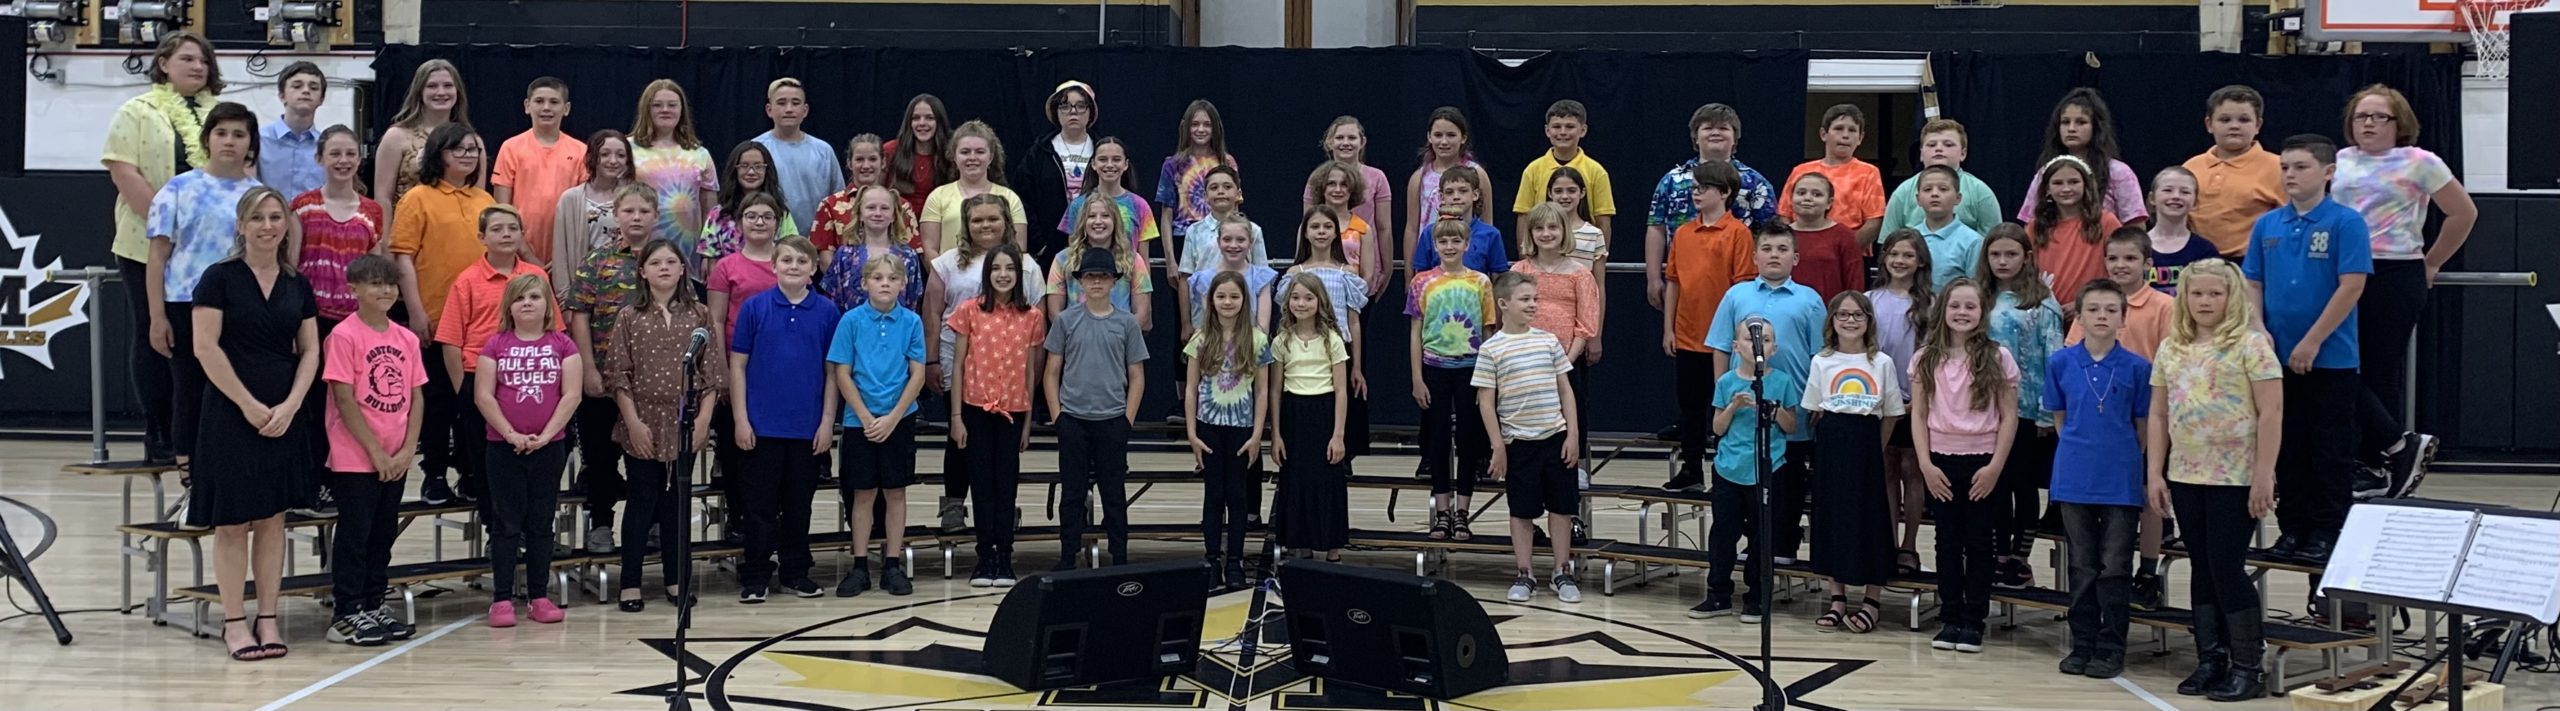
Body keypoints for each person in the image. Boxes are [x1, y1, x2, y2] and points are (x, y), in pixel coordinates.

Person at [193, 186, 322, 661]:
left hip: (283, 414)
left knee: (272, 520)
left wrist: (291, 405)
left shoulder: (297, 284)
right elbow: (205, 347)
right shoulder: (218, 278)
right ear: (241, 226)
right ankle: (233, 621)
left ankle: (268, 617)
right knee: (231, 523)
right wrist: (247, 404)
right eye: (258, 218)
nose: (268, 226)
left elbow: (310, 349)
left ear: (286, 225)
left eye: (275, 217)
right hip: (230, 412)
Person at [2148, 258, 2280, 701]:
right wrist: (2155, 473)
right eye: (2197, 293)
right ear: (2184, 297)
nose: (2205, 301)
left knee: (2226, 566)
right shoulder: (2172, 347)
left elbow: (2272, 412)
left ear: (2232, 297)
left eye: (2215, 294)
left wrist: (2264, 474)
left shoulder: (2252, 345)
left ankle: (2248, 666)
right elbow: (2158, 414)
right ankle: (2211, 659)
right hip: (2186, 472)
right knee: (2201, 566)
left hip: (2235, 475)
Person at [2335, 84, 2471, 499]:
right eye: (2361, 116)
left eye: (2379, 117)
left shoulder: (2419, 161)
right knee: (2336, 366)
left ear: (2399, 123)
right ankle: (2396, 445)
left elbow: (2463, 213)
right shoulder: (2341, 160)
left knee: (2377, 370)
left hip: (2395, 270)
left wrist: (2432, 262)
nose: (2369, 124)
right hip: (2342, 272)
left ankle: (2374, 463)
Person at [2245, 134, 2371, 565]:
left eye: (2300, 167)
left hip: (2330, 358)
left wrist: (2313, 340)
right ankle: (2292, 528)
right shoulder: (2268, 224)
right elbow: (2253, 282)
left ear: (2328, 172)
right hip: (2276, 357)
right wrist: (2258, 329)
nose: (2290, 175)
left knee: (2328, 449)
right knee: (2288, 446)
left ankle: (2327, 530)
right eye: (2284, 167)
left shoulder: (2345, 223)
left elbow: (2351, 285)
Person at [104, 31, 223, 464]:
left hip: (208, 248)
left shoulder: (220, 114)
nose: (198, 67)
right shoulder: (137, 110)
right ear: (163, 64)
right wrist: (167, 224)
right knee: (155, 333)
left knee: (204, 336)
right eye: (188, 59)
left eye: (204, 61)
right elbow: (123, 169)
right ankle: (159, 429)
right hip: (147, 241)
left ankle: (202, 431)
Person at [147, 101, 262, 527]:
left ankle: (234, 482)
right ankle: (192, 486)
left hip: (241, 307)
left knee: (236, 393)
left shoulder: (256, 195)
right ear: (208, 138)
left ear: (251, 144)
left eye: (239, 134)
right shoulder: (177, 189)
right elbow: (157, 257)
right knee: (190, 391)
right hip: (185, 304)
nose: (230, 141)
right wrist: (157, 316)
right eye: (222, 133)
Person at [604, 239, 723, 613]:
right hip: (643, 419)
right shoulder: (629, 316)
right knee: (641, 502)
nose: (664, 268)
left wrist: (703, 420)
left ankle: (677, 578)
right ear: (642, 271)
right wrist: (633, 422)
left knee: (677, 504)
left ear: (683, 269)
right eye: (655, 263)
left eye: (671, 261)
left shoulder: (699, 314)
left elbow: (711, 373)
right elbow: (618, 374)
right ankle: (630, 583)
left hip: (684, 422)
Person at [2045, 279, 2152, 680]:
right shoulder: (2060, 363)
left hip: (2120, 478)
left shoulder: (2138, 368)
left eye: (2111, 310)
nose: (2102, 316)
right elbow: (2061, 420)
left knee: (2115, 565)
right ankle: (2083, 642)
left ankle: (2111, 646)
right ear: (2080, 316)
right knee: (2082, 564)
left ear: (2123, 318)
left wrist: (2121, 457)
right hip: (2074, 475)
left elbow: (2142, 428)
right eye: (2093, 309)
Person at [2068, 228, 2178, 610]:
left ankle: (2147, 573)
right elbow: (2073, 354)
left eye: (2130, 258)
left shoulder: (2163, 306)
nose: (2121, 265)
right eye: (2113, 258)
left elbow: (2170, 359)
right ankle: (2101, 575)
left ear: (2148, 263)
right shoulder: (2095, 302)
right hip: (2100, 418)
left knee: (2147, 494)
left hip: (2147, 413)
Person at [1909, 278, 2020, 655]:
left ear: (1982, 312)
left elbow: (2009, 416)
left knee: (1979, 543)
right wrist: (1925, 464)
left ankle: (1974, 620)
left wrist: (1995, 467)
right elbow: (1919, 414)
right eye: (1955, 305)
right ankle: (1950, 616)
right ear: (1942, 310)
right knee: (1946, 542)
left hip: (1983, 463)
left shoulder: (1998, 356)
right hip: (1940, 461)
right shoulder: (1926, 357)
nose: (1962, 312)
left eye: (1970, 306)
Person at [1708, 224, 1830, 564]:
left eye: (1782, 249)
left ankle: (1783, 547)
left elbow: (1820, 355)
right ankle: (1753, 549)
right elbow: (1720, 346)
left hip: (1790, 408)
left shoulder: (1809, 299)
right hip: (1742, 414)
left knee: (1787, 484)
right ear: (1754, 256)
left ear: (1796, 258)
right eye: (1767, 248)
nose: (1774, 255)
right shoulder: (1736, 295)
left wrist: (1816, 401)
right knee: (1744, 483)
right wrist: (1722, 391)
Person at [926, 196, 1048, 531]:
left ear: (1006, 222)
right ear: (966, 225)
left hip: (1009, 369)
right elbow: (932, 313)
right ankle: (954, 503)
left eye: (992, 219)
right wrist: (932, 358)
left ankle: (1002, 507)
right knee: (961, 435)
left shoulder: (1026, 266)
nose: (985, 226)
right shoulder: (948, 263)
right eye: (977, 220)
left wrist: (1033, 376)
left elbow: (1038, 324)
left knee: (1002, 445)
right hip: (959, 361)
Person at [391, 123, 497, 506]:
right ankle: (434, 475)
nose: (467, 155)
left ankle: (470, 472)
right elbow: (403, 258)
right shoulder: (417, 198)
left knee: (474, 401)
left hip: (481, 323)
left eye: (473, 150)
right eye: (458, 149)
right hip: (435, 317)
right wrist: (416, 311)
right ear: (439, 154)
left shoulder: (484, 200)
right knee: (437, 401)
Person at [730, 237, 842, 602]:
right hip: (760, 426)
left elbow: (832, 372)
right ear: (774, 266)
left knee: (798, 506)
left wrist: (827, 423)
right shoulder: (754, 307)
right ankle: (756, 574)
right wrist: (741, 419)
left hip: (806, 428)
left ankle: (795, 572)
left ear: (813, 269)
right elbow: (738, 366)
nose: (794, 266)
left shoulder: (827, 311)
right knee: (758, 507)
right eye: (787, 260)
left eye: (801, 261)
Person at [321, 255, 423, 647]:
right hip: (356, 456)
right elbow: (344, 398)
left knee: (383, 535)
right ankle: (347, 612)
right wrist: (374, 452)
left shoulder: (406, 338)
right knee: (355, 535)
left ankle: (373, 603)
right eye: (375, 283)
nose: (385, 290)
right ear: (354, 289)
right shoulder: (344, 336)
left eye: (390, 284)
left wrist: (408, 448)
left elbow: (416, 397)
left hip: (396, 456)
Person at [433, 206, 561, 513]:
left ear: (522, 234)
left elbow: (554, 330)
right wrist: (465, 391)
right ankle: (497, 527)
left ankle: (534, 528)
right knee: (487, 460)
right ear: (482, 237)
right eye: (497, 229)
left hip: (532, 378)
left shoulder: (536, 276)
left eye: (513, 229)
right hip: (481, 381)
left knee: (538, 457)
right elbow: (451, 340)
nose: (506, 234)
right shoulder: (467, 281)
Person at [471, 274, 580, 627]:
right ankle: (501, 599)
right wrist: (510, 433)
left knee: (541, 521)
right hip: (503, 448)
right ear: (509, 307)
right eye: (520, 298)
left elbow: (571, 394)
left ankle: (539, 596)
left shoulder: (563, 345)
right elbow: (483, 396)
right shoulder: (495, 345)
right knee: (505, 522)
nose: (527, 303)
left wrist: (547, 435)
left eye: (534, 296)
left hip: (549, 447)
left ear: (548, 305)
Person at [1474, 272, 1584, 604]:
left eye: (1535, 299)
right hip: (1519, 444)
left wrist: (1572, 434)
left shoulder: (1548, 342)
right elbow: (1486, 402)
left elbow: (1566, 390)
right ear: (1503, 304)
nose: (1533, 304)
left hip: (1555, 438)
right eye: (1525, 299)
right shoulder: (1491, 349)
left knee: (1561, 508)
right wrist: (1498, 446)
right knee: (1522, 511)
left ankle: (1562, 571)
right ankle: (1525, 573)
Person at [1802, 290, 1903, 633]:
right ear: (1832, 321)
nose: (1850, 321)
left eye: (1858, 315)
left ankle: (1872, 599)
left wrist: (1874, 448)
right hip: (1832, 441)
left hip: (1866, 441)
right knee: (1833, 515)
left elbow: (1891, 413)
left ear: (1869, 321)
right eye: (1843, 315)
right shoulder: (1822, 361)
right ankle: (1837, 598)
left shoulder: (1882, 362)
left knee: (1870, 517)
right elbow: (1815, 409)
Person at [946, 242, 1046, 587]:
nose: (1003, 275)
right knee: (981, 485)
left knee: (1006, 485)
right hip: (976, 409)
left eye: (1010, 269)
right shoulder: (970, 311)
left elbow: (1030, 373)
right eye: (996, 269)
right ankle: (984, 555)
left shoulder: (1032, 317)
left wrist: (1028, 422)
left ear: (1019, 275)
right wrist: (956, 417)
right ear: (987, 274)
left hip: (1013, 412)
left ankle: (1004, 555)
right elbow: (958, 365)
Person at [1687, 316, 1799, 623]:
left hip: (1767, 468)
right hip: (1730, 469)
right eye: (1750, 339)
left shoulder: (1782, 381)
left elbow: (1791, 425)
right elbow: (1717, 428)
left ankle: (1757, 596)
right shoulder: (1726, 382)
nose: (1757, 345)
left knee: (1762, 535)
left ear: (1774, 349)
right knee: (1724, 533)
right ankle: (1718, 594)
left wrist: (1773, 410)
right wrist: (1734, 406)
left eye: (1765, 339)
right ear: (1736, 346)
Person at [1044, 248, 1150, 570]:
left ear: (1114, 281)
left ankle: (1119, 557)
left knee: (1114, 493)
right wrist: (1058, 417)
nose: (1097, 282)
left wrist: (1127, 420)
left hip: (1112, 419)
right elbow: (1051, 372)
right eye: (1090, 276)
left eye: (1103, 276)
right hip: (1073, 420)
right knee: (1072, 492)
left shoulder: (1127, 323)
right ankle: (1067, 556)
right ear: (1080, 281)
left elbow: (1137, 375)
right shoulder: (1066, 320)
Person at [566, 184, 656, 554]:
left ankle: (652, 523)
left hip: (652, 382)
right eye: (629, 211)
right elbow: (580, 316)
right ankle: (601, 524)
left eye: (644, 211)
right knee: (600, 456)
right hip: (604, 377)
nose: (636, 218)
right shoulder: (596, 261)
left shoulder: (665, 259)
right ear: (615, 216)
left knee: (650, 458)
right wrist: (588, 368)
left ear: (655, 217)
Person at [1658, 161, 1755, 492]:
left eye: (1704, 188)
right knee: (1690, 405)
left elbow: (1743, 288)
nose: (1696, 193)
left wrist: (1737, 337)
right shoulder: (1684, 233)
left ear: (1725, 192)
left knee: (1724, 403)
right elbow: (1673, 282)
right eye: (1695, 188)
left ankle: (1724, 471)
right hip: (1687, 333)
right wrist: (1669, 329)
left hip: (1723, 341)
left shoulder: (1738, 234)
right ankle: (1691, 468)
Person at [1978, 224, 2064, 592]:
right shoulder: (1979, 297)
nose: (2002, 261)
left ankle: (2019, 557)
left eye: (2010, 254)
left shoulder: (2042, 302)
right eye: (1995, 254)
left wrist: (2047, 411)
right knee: (1994, 485)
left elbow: (2053, 357)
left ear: (2026, 258)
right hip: (1985, 409)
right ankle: (1997, 556)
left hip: (2028, 409)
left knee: (2024, 486)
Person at [1408, 219, 1495, 541]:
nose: (1449, 247)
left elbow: (1488, 330)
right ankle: (1442, 511)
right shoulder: (1422, 282)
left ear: (1466, 245)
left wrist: (1487, 378)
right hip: (1435, 368)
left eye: (1455, 241)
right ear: (1435, 246)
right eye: (1443, 241)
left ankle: (1462, 512)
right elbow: (1415, 332)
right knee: (1438, 440)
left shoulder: (1480, 282)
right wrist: (1417, 377)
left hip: (1471, 368)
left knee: (1469, 440)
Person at [1184, 272, 1272, 589]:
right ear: (1211, 300)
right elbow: (1191, 388)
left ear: (1244, 300)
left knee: (1237, 496)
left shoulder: (1257, 340)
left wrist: (1257, 434)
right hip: (1208, 427)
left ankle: (1234, 562)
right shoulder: (1201, 338)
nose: (1227, 302)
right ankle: (1211, 561)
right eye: (1221, 296)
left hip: (1241, 428)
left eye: (1234, 296)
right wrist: (1192, 433)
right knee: (1213, 495)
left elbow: (1262, 391)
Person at [1645, 103, 1775, 309]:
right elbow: (1656, 228)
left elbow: (1769, 233)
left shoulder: (1756, 183)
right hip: (1684, 282)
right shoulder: (1671, 180)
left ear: (1735, 138)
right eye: (1708, 127)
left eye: (1723, 128)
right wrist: (1653, 279)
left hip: (1739, 281)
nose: (1715, 132)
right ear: (1695, 137)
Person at [1271, 271, 1354, 565]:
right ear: (1287, 302)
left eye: (1308, 298)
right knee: (1297, 479)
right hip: (1294, 415)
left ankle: (1331, 546)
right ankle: (1302, 543)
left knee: (1327, 480)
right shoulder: (1281, 341)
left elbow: (1341, 390)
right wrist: (1276, 435)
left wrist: (1338, 435)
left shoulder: (1333, 340)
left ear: (1320, 302)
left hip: (1324, 413)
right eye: (1295, 297)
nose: (1301, 303)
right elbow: (1275, 390)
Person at [1513, 204, 1599, 475]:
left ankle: (1576, 466)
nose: (1546, 233)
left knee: (1572, 411)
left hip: (1566, 359)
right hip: (1526, 362)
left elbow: (1585, 324)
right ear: (1530, 233)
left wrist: (1565, 361)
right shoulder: (1520, 271)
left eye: (1553, 227)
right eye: (1539, 228)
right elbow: (1510, 317)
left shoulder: (1580, 274)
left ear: (1564, 231)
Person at [1870, 229, 1935, 576]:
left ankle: (1909, 546)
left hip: (1915, 402)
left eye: (1908, 255)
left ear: (1920, 261)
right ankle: (1888, 542)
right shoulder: (1870, 300)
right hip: (1879, 402)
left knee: (1912, 469)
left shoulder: (1931, 304)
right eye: (1894, 254)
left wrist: (1918, 402)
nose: (1900, 261)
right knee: (1886, 469)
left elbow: (1936, 358)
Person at [1286, 207, 1371, 458]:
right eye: (1315, 227)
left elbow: (1353, 322)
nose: (1321, 232)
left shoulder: (1347, 273)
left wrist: (1357, 367)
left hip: (1339, 350)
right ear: (1305, 233)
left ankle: (1341, 457)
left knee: (1339, 404)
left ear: (1336, 233)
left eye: (1327, 227)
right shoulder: (1295, 273)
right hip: (1303, 352)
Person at [293, 127, 383, 333]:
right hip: (309, 316)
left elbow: (374, 269)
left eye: (350, 154)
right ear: (319, 158)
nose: (343, 160)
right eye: (335, 154)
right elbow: (291, 265)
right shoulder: (303, 206)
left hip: (356, 318)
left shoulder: (372, 211)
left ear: (359, 159)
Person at [492, 77, 586, 268]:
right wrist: (525, 253)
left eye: (554, 102)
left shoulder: (581, 151)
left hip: (567, 252)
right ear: (527, 106)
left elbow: (583, 210)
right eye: (539, 101)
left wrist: (563, 255)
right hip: (518, 251)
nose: (546, 108)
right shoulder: (511, 148)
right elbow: (502, 208)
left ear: (566, 108)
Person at [2020, 89, 2147, 228]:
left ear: (2096, 127)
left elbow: (2136, 228)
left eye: (2081, 122)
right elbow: (2030, 224)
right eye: (2065, 122)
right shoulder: (2046, 172)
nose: (2071, 128)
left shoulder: (2118, 172)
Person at [2180, 85, 2283, 259]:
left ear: (2258, 125)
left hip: (2252, 263)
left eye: (2244, 120)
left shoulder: (2278, 167)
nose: (2234, 126)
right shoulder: (2191, 167)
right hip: (2195, 262)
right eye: (2225, 120)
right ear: (2209, 124)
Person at [374, 59, 470, 232]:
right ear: (419, 91)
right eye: (432, 86)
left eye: (448, 85)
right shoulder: (396, 137)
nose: (441, 92)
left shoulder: (471, 140)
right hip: (407, 235)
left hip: (456, 236)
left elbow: (476, 197)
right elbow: (383, 197)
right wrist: (386, 239)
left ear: (457, 91)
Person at [628, 79, 719, 260]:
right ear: (646, 109)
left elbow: (710, 210)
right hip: (639, 247)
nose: (665, 110)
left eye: (672, 105)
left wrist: (709, 254)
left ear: (682, 110)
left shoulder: (699, 153)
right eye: (657, 105)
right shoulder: (628, 149)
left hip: (687, 250)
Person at [1304, 118, 1396, 286]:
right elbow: (1307, 225)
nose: (1345, 143)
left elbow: (1384, 228)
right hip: (1321, 273)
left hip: (1365, 268)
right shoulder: (1316, 178)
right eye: (1340, 138)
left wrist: (1386, 268)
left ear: (1362, 142)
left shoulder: (1377, 177)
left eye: (1352, 138)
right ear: (1329, 142)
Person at [1779, 104, 1886, 247]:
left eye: (1852, 130)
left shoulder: (1868, 173)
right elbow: (1785, 214)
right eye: (1839, 128)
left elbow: (1874, 221)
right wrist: (1795, 246)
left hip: (1851, 252)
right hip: (1801, 249)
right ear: (1824, 134)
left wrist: (1844, 250)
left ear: (1860, 138)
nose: (1845, 135)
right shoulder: (1800, 171)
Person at [920, 121, 1029, 259]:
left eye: (980, 152)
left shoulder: (1010, 198)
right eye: (965, 152)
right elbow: (929, 250)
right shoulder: (937, 197)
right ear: (954, 157)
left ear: (991, 157)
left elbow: (1019, 250)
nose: (972, 157)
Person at [1880, 119, 2003, 239]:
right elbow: (1889, 242)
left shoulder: (1981, 192)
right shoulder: (1903, 192)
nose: (1939, 148)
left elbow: (1994, 243)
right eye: (1931, 145)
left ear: (1963, 153)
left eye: (1948, 144)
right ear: (1921, 154)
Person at [1513, 100, 1616, 241]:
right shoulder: (1533, 170)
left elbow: (1603, 220)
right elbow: (1524, 217)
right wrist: (1525, 253)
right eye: (1556, 126)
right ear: (1547, 131)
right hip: (1543, 247)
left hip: (1583, 247)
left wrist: (1600, 253)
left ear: (1583, 130)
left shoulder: (1596, 171)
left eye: (1570, 127)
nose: (1562, 132)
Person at [1017, 80, 1097, 259]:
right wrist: (1040, 245)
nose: (1073, 111)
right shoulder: (1039, 152)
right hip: (1051, 250)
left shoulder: (1103, 150)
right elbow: (1023, 199)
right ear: (1056, 112)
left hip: (1097, 244)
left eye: (1081, 106)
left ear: (1090, 112)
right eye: (1065, 106)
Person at [1402, 107, 1484, 280]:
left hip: (1470, 264)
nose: (1444, 141)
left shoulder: (1477, 174)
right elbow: (1412, 229)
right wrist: (1409, 276)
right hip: (1431, 262)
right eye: (1438, 135)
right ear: (1429, 137)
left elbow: (1487, 221)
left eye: (1451, 135)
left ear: (1463, 137)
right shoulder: (1420, 177)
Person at [1052, 196, 1158, 329]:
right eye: (1091, 216)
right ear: (1083, 222)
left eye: (1105, 216)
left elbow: (1142, 313)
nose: (1098, 221)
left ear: (1115, 221)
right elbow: (1054, 313)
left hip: (1121, 337)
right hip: (1074, 337)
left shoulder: (1133, 259)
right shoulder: (1062, 259)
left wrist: (1119, 336)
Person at [753, 78, 843, 234]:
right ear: (769, 110)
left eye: (795, 103)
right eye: (781, 103)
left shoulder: (824, 151)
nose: (789, 109)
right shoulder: (756, 149)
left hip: (815, 239)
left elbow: (838, 199)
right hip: (769, 239)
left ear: (805, 110)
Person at [2028, 156, 2125, 300]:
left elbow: (2120, 268)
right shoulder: (2035, 227)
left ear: (2086, 185)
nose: (2066, 189)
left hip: (2094, 306)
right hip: (2046, 308)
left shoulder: (2106, 222)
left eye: (2074, 182)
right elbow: (2027, 273)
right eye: (2058, 183)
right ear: (2047, 189)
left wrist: (2083, 303)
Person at [818, 185, 926, 312]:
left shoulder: (908, 256)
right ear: (860, 214)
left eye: (884, 208)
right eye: (871, 208)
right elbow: (832, 301)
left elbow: (913, 302)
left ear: (893, 216)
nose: (878, 213)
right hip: (853, 324)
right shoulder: (845, 255)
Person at [1056, 138, 1159, 268]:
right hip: (1087, 278)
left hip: (1127, 278)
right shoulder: (1078, 205)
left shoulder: (1140, 205)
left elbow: (1143, 260)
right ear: (1093, 164)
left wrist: (1144, 281)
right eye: (1103, 159)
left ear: (1126, 164)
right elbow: (1072, 253)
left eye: (1116, 159)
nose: (1109, 165)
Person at [549, 130, 633, 288]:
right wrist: (564, 297)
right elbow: (560, 253)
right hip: (582, 288)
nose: (613, 161)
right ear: (592, 157)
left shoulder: (634, 197)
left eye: (621, 155)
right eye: (605, 154)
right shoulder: (570, 199)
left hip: (624, 287)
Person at [700, 141, 802, 266]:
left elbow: (793, 252)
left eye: (758, 166)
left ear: (767, 170)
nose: (751, 172)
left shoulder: (781, 213)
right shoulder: (719, 214)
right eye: (744, 166)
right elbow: (711, 262)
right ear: (734, 170)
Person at [1171, 166, 1269, 289]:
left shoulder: (1253, 230)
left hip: (1244, 300)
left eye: (1227, 187)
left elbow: (1262, 276)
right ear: (1205, 195)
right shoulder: (1194, 231)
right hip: (1203, 300)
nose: (1220, 191)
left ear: (1238, 194)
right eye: (1214, 188)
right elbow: (1186, 277)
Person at [1181, 216, 1277, 338]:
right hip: (1216, 344)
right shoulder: (1205, 279)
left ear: (1251, 242)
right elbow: (1210, 323)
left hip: (1251, 344)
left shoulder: (1261, 277)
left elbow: (1263, 328)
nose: (1233, 245)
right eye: (1227, 239)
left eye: (1241, 240)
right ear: (1218, 242)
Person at [1159, 99, 1238, 242]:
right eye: (1195, 124)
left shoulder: (1227, 162)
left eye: (1207, 125)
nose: (1201, 130)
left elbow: (1234, 207)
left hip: (1220, 237)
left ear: (1215, 128)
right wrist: (1170, 256)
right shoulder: (1173, 164)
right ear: (1186, 127)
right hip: (1183, 237)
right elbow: (1166, 214)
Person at [1410, 166, 1508, 275]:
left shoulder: (1491, 234)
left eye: (1463, 191)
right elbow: (1421, 277)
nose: (1456, 197)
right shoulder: (1429, 233)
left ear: (1475, 195)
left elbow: (1499, 279)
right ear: (1441, 197)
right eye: (1449, 192)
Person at [2142, 167, 2224, 293]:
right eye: (2168, 190)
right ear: (2152, 198)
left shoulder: (2205, 250)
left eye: (2185, 192)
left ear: (2195, 201)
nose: (2176, 196)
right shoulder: (2136, 246)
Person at [1784, 172, 1865, 301]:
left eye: (1817, 194)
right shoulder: (1783, 235)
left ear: (1829, 202)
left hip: (1829, 309)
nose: (1807, 198)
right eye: (1801, 193)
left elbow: (1854, 281)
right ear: (1791, 198)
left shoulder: (1843, 236)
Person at [1909, 165, 1986, 291]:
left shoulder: (1973, 242)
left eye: (1943, 189)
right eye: (1927, 189)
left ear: (1958, 198)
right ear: (1918, 199)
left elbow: (1976, 288)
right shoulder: (1909, 238)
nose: (1934, 194)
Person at [258, 62, 328, 200]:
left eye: (313, 87)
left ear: (321, 99)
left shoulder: (326, 146)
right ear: (282, 95)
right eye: (297, 86)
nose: (306, 91)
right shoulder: (258, 140)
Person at [885, 94, 952, 220]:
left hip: (940, 220)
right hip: (897, 222)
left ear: (939, 122)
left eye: (929, 118)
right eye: (916, 118)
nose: (922, 123)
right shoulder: (890, 150)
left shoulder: (951, 153)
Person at [1306, 161, 1375, 279]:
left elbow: (1367, 276)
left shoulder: (1363, 229)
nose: (1338, 189)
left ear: (1352, 189)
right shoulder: (1309, 225)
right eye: (1331, 184)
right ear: (1322, 188)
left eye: (1344, 184)